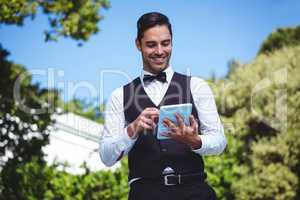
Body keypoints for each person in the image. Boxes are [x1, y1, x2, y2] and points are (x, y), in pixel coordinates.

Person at [99, 12, 226, 200]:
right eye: (151, 45)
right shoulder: (119, 96)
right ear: (138, 45)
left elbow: (220, 141)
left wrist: (195, 141)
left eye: (165, 43)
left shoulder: (197, 86)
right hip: (145, 193)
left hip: (194, 191)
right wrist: (132, 130)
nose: (160, 51)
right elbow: (107, 157)